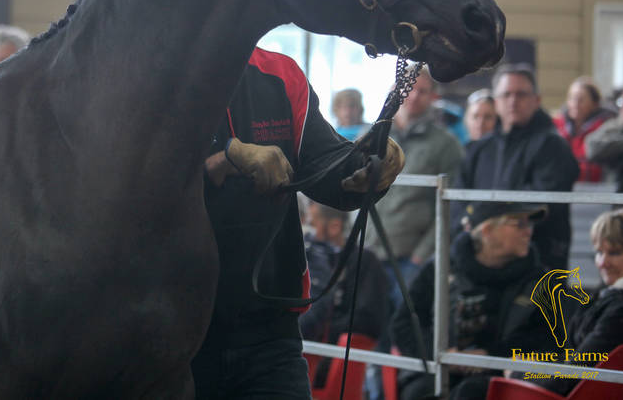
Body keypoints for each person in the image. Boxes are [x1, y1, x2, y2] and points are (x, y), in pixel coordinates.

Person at [192, 47, 405, 400]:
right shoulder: (156, 67)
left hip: (271, 329)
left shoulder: (280, 73)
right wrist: (219, 161)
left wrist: (367, 165)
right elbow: (132, 183)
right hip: (176, 330)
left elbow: (324, 163)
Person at [391, 202, 555, 400]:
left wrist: (490, 356)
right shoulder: (439, 268)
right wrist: (442, 354)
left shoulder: (542, 281)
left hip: (504, 377)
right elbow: (404, 324)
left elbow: (548, 340)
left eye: (529, 224)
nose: (529, 231)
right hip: (437, 370)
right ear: (487, 230)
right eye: (519, 224)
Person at [456, 64, 579, 270]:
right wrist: (466, 220)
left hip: (538, 260)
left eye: (521, 94)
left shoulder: (553, 146)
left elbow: (543, 200)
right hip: (482, 257)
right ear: (496, 102)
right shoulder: (479, 148)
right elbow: (458, 196)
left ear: (536, 100)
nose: (513, 101)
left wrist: (481, 217)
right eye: (506, 95)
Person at [366, 67, 464, 303]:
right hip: (366, 253)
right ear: (394, 90)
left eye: (422, 91)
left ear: (433, 97)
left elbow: (452, 205)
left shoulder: (446, 145)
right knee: (363, 323)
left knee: (405, 321)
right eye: (408, 88)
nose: (414, 95)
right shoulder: (370, 136)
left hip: (410, 260)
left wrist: (422, 255)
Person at [527, 207, 623, 395]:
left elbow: (571, 375)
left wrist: (518, 372)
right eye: (599, 252)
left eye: (614, 253)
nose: (602, 263)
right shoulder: (612, 297)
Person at [299, 202, 391, 388]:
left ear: (334, 226)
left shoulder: (365, 262)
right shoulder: (307, 257)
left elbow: (368, 319)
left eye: (313, 224)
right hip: (304, 349)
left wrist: (322, 330)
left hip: (331, 357)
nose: (308, 232)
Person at [552, 76, 615, 183]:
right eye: (572, 98)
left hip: (594, 187)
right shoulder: (556, 125)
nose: (575, 104)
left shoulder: (605, 129)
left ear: (594, 104)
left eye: (581, 99)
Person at [585, 81, 623, 193]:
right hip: (611, 192)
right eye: (622, 101)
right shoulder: (614, 126)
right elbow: (592, 148)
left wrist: (616, 154)